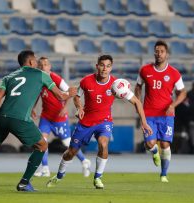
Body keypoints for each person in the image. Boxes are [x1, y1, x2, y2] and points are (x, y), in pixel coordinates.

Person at [0, 50, 77, 192]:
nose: (37, 63)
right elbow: (60, 96)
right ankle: (24, 183)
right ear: (30, 62)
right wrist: (70, 94)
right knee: (42, 146)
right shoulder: (42, 75)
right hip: (20, 119)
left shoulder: (9, 77)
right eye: (35, 60)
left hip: (2, 117)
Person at [46, 55, 153, 189]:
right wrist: (79, 108)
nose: (104, 69)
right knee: (71, 152)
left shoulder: (117, 85)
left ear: (111, 68)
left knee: (103, 143)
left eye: (108, 66)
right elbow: (77, 97)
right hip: (86, 123)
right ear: (97, 66)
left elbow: (136, 102)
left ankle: (98, 177)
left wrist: (144, 122)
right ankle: (59, 175)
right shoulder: (86, 81)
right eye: (102, 65)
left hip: (104, 121)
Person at [134, 40, 186, 182]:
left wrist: (173, 105)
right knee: (150, 144)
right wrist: (138, 103)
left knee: (165, 144)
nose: (159, 54)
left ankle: (163, 174)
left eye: (161, 51)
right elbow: (138, 87)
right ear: (154, 53)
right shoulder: (145, 70)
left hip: (166, 115)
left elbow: (182, 92)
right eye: (156, 51)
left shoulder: (174, 73)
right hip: (149, 114)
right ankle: (154, 152)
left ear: (167, 54)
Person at [32, 57, 91, 178]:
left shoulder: (56, 78)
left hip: (59, 119)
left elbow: (71, 91)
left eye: (46, 64)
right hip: (46, 117)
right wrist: (33, 107)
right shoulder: (38, 79)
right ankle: (45, 169)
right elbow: (37, 94)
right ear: (38, 67)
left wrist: (65, 108)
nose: (43, 67)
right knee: (41, 141)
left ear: (50, 67)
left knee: (68, 143)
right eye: (41, 65)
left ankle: (84, 161)